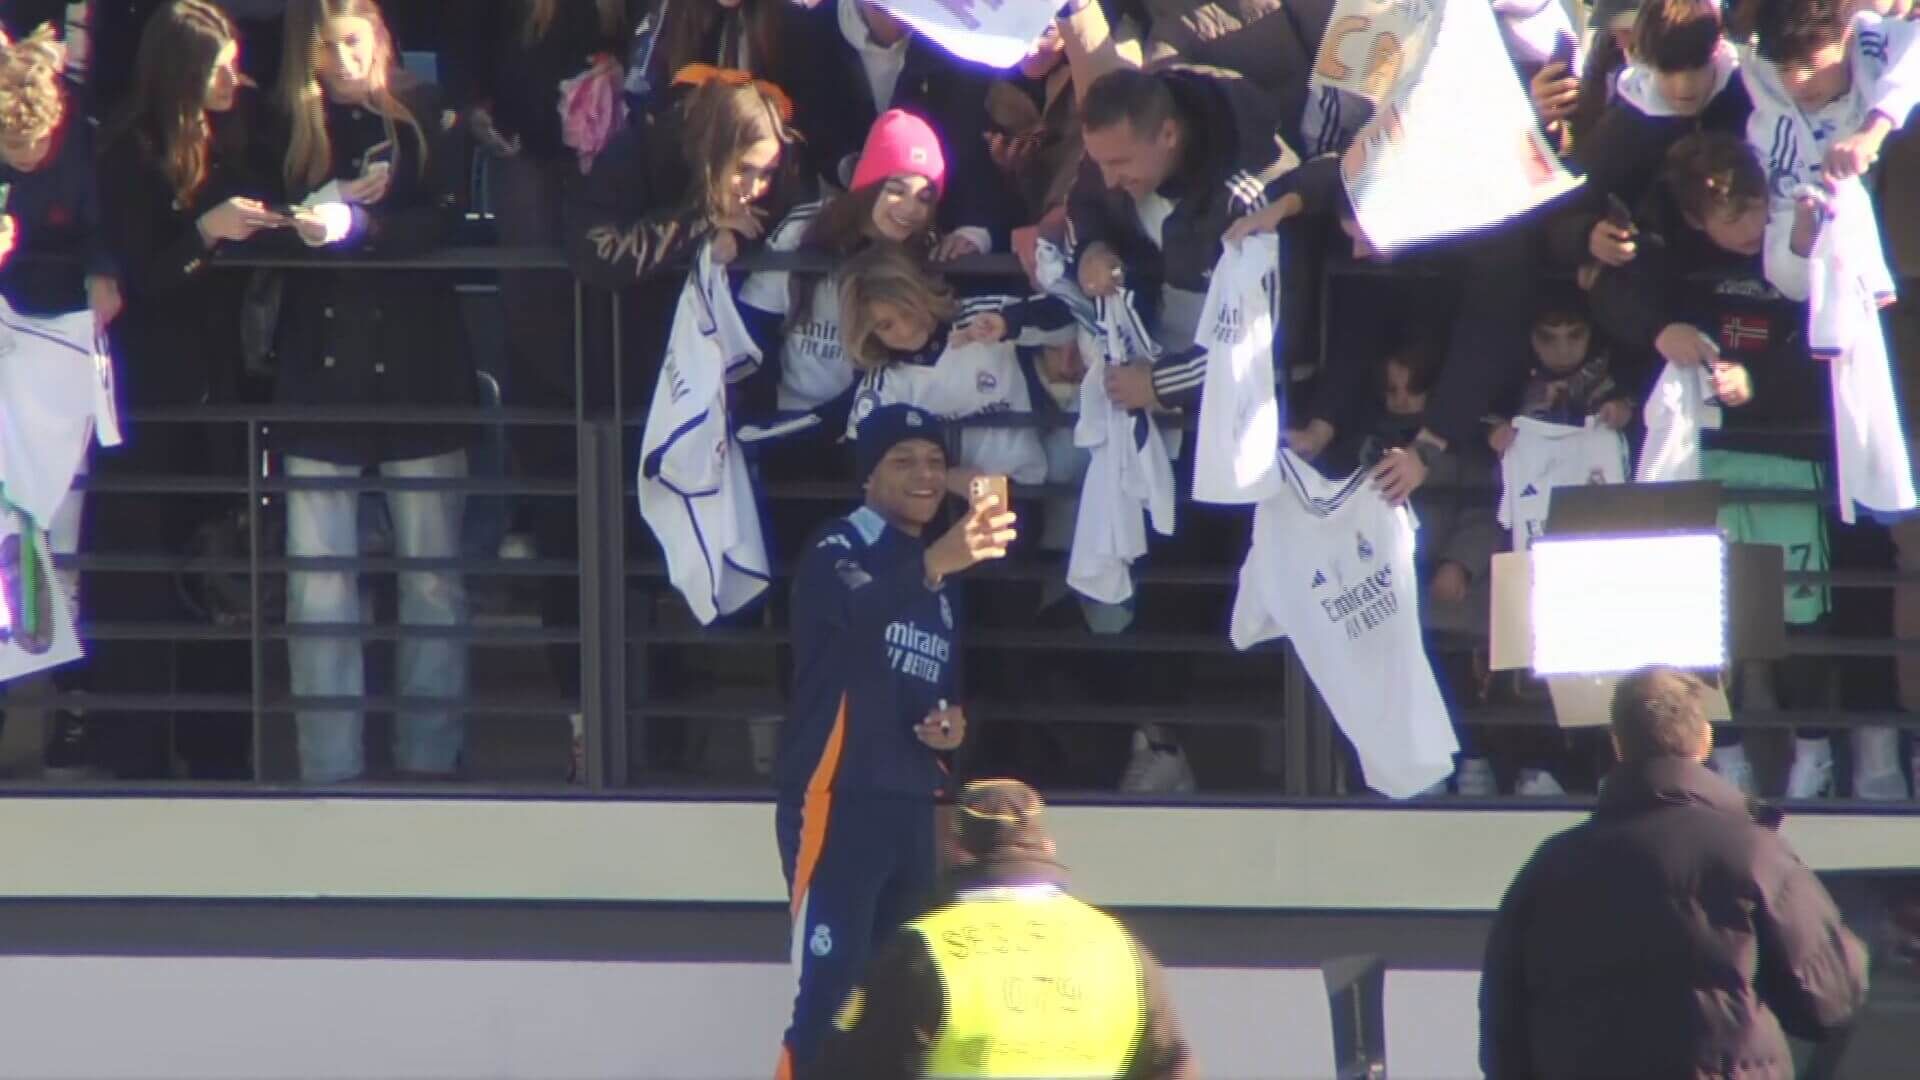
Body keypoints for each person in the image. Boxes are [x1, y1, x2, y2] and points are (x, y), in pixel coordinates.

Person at [1589, 133, 1859, 799]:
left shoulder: (1798, 240)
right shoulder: (1669, 256)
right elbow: (1610, 299)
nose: (1747, 228)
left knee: (1801, 615)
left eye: (1755, 209)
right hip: (1703, 461)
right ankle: (1724, 755)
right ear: (1693, 217)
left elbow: (1835, 333)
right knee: (1708, 618)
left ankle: (1815, 753)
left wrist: (1758, 379)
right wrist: (1661, 332)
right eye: (1730, 217)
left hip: (1789, 457)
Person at [773, 403, 1017, 1078]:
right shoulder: (839, 545)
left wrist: (952, 726)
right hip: (837, 795)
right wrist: (936, 563)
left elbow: (934, 685)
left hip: (911, 804)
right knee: (828, 1000)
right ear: (867, 475)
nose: (924, 474)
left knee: (904, 1009)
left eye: (935, 462)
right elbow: (856, 614)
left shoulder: (939, 572)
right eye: (903, 461)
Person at [266, 0, 476, 783]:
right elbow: (263, 214)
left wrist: (365, 224)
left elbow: (449, 221)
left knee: (432, 577)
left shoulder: (424, 108)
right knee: (318, 585)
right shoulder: (286, 119)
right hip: (319, 376)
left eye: (356, 41)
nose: (345, 60)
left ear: (382, 38)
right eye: (328, 47)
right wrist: (322, 208)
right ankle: (329, 768)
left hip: (421, 370)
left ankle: (430, 762)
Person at [1480, 666, 1868, 1078]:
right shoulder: (1757, 855)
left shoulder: (1547, 869)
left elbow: (1504, 1030)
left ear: (1618, 745)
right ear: (1705, 740)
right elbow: (1829, 1001)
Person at [97, 0, 278, 779]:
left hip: (218, 385)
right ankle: (135, 752)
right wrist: (206, 232)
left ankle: (219, 750)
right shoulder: (129, 152)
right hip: (146, 393)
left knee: (219, 564)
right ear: (181, 72)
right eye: (218, 68)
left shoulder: (231, 139)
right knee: (144, 567)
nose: (234, 79)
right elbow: (138, 277)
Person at [804, 778, 1196, 1079]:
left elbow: (849, 1067)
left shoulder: (924, 948)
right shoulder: (1119, 946)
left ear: (957, 852)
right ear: (1048, 847)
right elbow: (1172, 1067)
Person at [1542, 0, 1753, 276]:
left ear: (1717, 47)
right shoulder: (1628, 125)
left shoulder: (1753, 96)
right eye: (1667, 69)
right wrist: (1587, 235)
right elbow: (1565, 209)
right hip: (1671, 275)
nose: (1684, 86)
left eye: (1697, 66)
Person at [838, 243, 1069, 492]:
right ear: (868, 333)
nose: (905, 330)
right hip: (934, 502)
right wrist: (945, 478)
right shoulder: (883, 383)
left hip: (1020, 489)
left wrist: (1006, 323)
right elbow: (861, 461)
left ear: (922, 294)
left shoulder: (981, 318)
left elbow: (1069, 316)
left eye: (907, 312)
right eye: (886, 326)